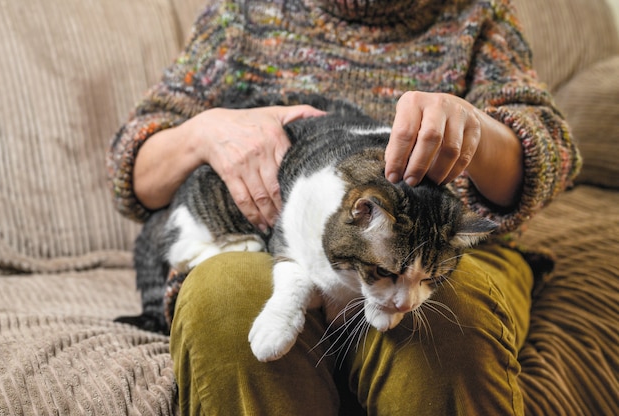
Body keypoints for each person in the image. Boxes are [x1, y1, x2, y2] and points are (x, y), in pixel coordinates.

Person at [107, 0, 581, 414]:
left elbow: (553, 153)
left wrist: (473, 128)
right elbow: (134, 174)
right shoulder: (244, 12)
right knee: (224, 301)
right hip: (278, 241)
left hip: (441, 250)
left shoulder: (478, 11)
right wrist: (203, 132)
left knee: (447, 329)